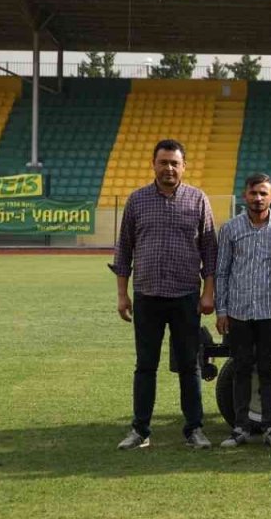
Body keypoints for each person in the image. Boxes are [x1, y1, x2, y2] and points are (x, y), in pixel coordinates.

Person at [111, 139, 218, 450]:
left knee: (190, 365)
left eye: (175, 163)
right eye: (164, 162)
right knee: (145, 365)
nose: (169, 168)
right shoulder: (137, 200)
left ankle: (194, 429)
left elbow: (209, 251)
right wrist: (122, 294)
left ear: (183, 166)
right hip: (146, 295)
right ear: (153, 164)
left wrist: (208, 292)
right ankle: (140, 431)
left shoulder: (198, 200)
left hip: (185, 296)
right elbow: (124, 250)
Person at [215, 173, 271, 449]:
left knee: (269, 369)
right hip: (238, 312)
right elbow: (221, 271)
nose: (258, 198)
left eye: (263, 193)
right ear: (244, 195)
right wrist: (221, 310)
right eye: (253, 193)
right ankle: (240, 428)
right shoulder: (230, 229)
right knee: (241, 368)